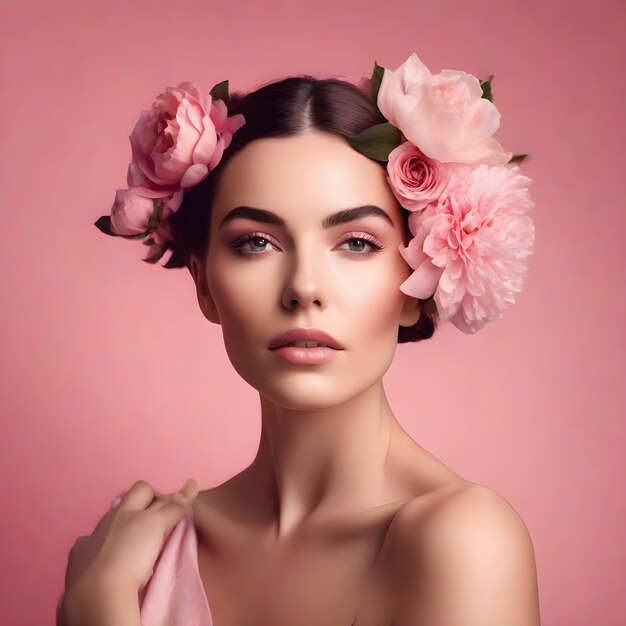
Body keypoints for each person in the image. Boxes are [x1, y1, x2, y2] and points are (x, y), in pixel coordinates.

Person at [58, 53, 541, 625]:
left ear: (418, 279)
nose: (304, 287)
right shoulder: (141, 554)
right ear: (204, 284)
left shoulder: (465, 542)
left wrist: (96, 613)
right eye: (256, 243)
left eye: (356, 242)